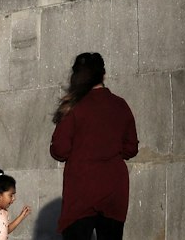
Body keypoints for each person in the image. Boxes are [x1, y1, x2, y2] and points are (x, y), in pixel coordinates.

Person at [50, 52, 139, 239]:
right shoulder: (120, 105)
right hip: (115, 189)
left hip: (81, 190)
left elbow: (59, 149)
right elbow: (131, 147)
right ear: (103, 75)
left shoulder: (73, 106)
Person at [0, 170, 31, 237]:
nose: (14, 198)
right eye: (11, 195)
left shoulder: (4, 212)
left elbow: (6, 230)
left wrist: (21, 216)